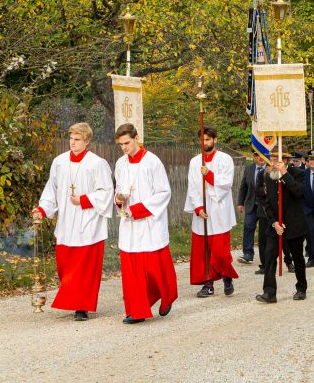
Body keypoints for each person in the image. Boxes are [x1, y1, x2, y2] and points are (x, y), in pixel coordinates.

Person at [32, 122, 114, 322]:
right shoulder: (59, 162)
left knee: (85, 269)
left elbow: (106, 192)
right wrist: (42, 209)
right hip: (67, 223)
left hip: (89, 224)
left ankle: (82, 307)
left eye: (77, 139)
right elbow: (52, 189)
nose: (73, 143)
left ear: (87, 141)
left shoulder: (97, 163)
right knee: (65, 266)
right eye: (71, 138)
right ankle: (73, 300)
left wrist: (84, 200)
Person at [113, 123, 178, 324]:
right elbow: (119, 189)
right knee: (132, 269)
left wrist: (139, 209)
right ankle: (137, 309)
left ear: (136, 138)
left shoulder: (152, 162)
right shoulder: (120, 163)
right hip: (129, 224)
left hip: (149, 222)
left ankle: (167, 294)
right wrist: (118, 200)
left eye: (127, 143)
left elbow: (163, 192)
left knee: (155, 267)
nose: (124, 148)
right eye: (120, 144)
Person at [185, 126, 239, 298]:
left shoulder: (225, 159)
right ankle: (208, 284)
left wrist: (208, 174)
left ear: (215, 140)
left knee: (220, 251)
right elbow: (192, 187)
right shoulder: (194, 161)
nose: (204, 143)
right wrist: (198, 207)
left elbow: (226, 183)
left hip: (219, 210)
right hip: (202, 212)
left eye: (207, 139)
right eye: (202, 140)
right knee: (203, 251)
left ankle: (226, 274)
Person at [255, 155, 308, 303]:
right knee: (270, 257)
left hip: (294, 223)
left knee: (297, 257)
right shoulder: (268, 176)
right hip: (275, 225)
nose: (273, 163)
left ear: (285, 160)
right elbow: (265, 202)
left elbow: (299, 192)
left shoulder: (298, 173)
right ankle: (269, 292)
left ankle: (301, 288)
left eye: (276, 159)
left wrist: (285, 173)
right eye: (271, 159)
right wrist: (274, 222)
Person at [236, 152, 267, 267]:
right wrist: (240, 203)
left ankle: (266, 255)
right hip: (251, 204)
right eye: (257, 155)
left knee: (264, 232)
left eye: (262, 155)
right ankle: (248, 254)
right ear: (254, 158)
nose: (261, 157)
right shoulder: (249, 168)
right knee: (248, 227)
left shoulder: (270, 168)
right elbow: (243, 186)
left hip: (265, 206)